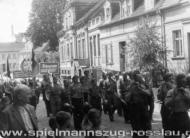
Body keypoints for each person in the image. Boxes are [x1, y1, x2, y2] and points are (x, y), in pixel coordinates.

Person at [128, 72, 153, 138]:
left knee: (146, 132)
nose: (139, 79)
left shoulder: (146, 87)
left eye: (140, 77)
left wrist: (150, 115)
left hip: (144, 113)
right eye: (137, 78)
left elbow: (151, 102)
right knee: (136, 132)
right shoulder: (132, 87)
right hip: (135, 113)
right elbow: (127, 99)